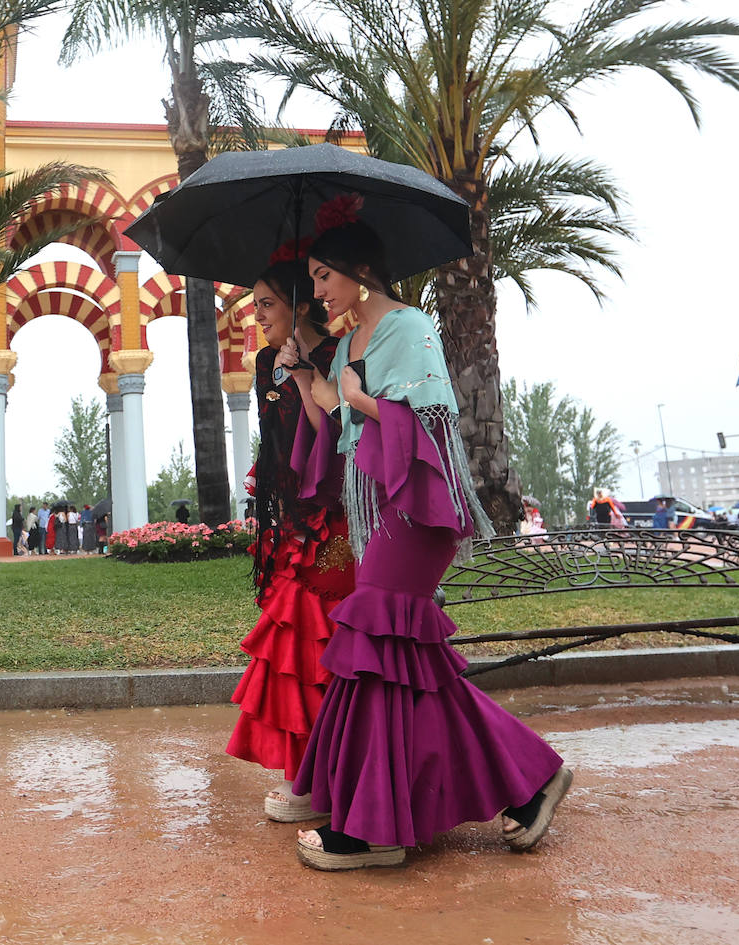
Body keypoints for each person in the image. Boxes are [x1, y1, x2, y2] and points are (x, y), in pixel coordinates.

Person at [276, 201, 570, 871]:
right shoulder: (350, 342)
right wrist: (306, 377)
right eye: (314, 281)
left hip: (418, 505)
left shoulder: (407, 327)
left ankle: (378, 829)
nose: (318, 291)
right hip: (380, 506)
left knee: (377, 640)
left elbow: (435, 422)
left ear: (360, 271)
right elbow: (335, 427)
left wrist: (356, 397)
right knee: (410, 665)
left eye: (325, 277)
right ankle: (530, 781)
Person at [225, 255, 355, 824]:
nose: (258, 315)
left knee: (321, 643)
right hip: (288, 521)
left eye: (268, 304)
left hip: (331, 518)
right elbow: (275, 445)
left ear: (299, 303)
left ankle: (327, 777)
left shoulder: (338, 354)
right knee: (292, 648)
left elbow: (333, 438)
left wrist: (306, 379)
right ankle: (306, 778)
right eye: (255, 305)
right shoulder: (262, 363)